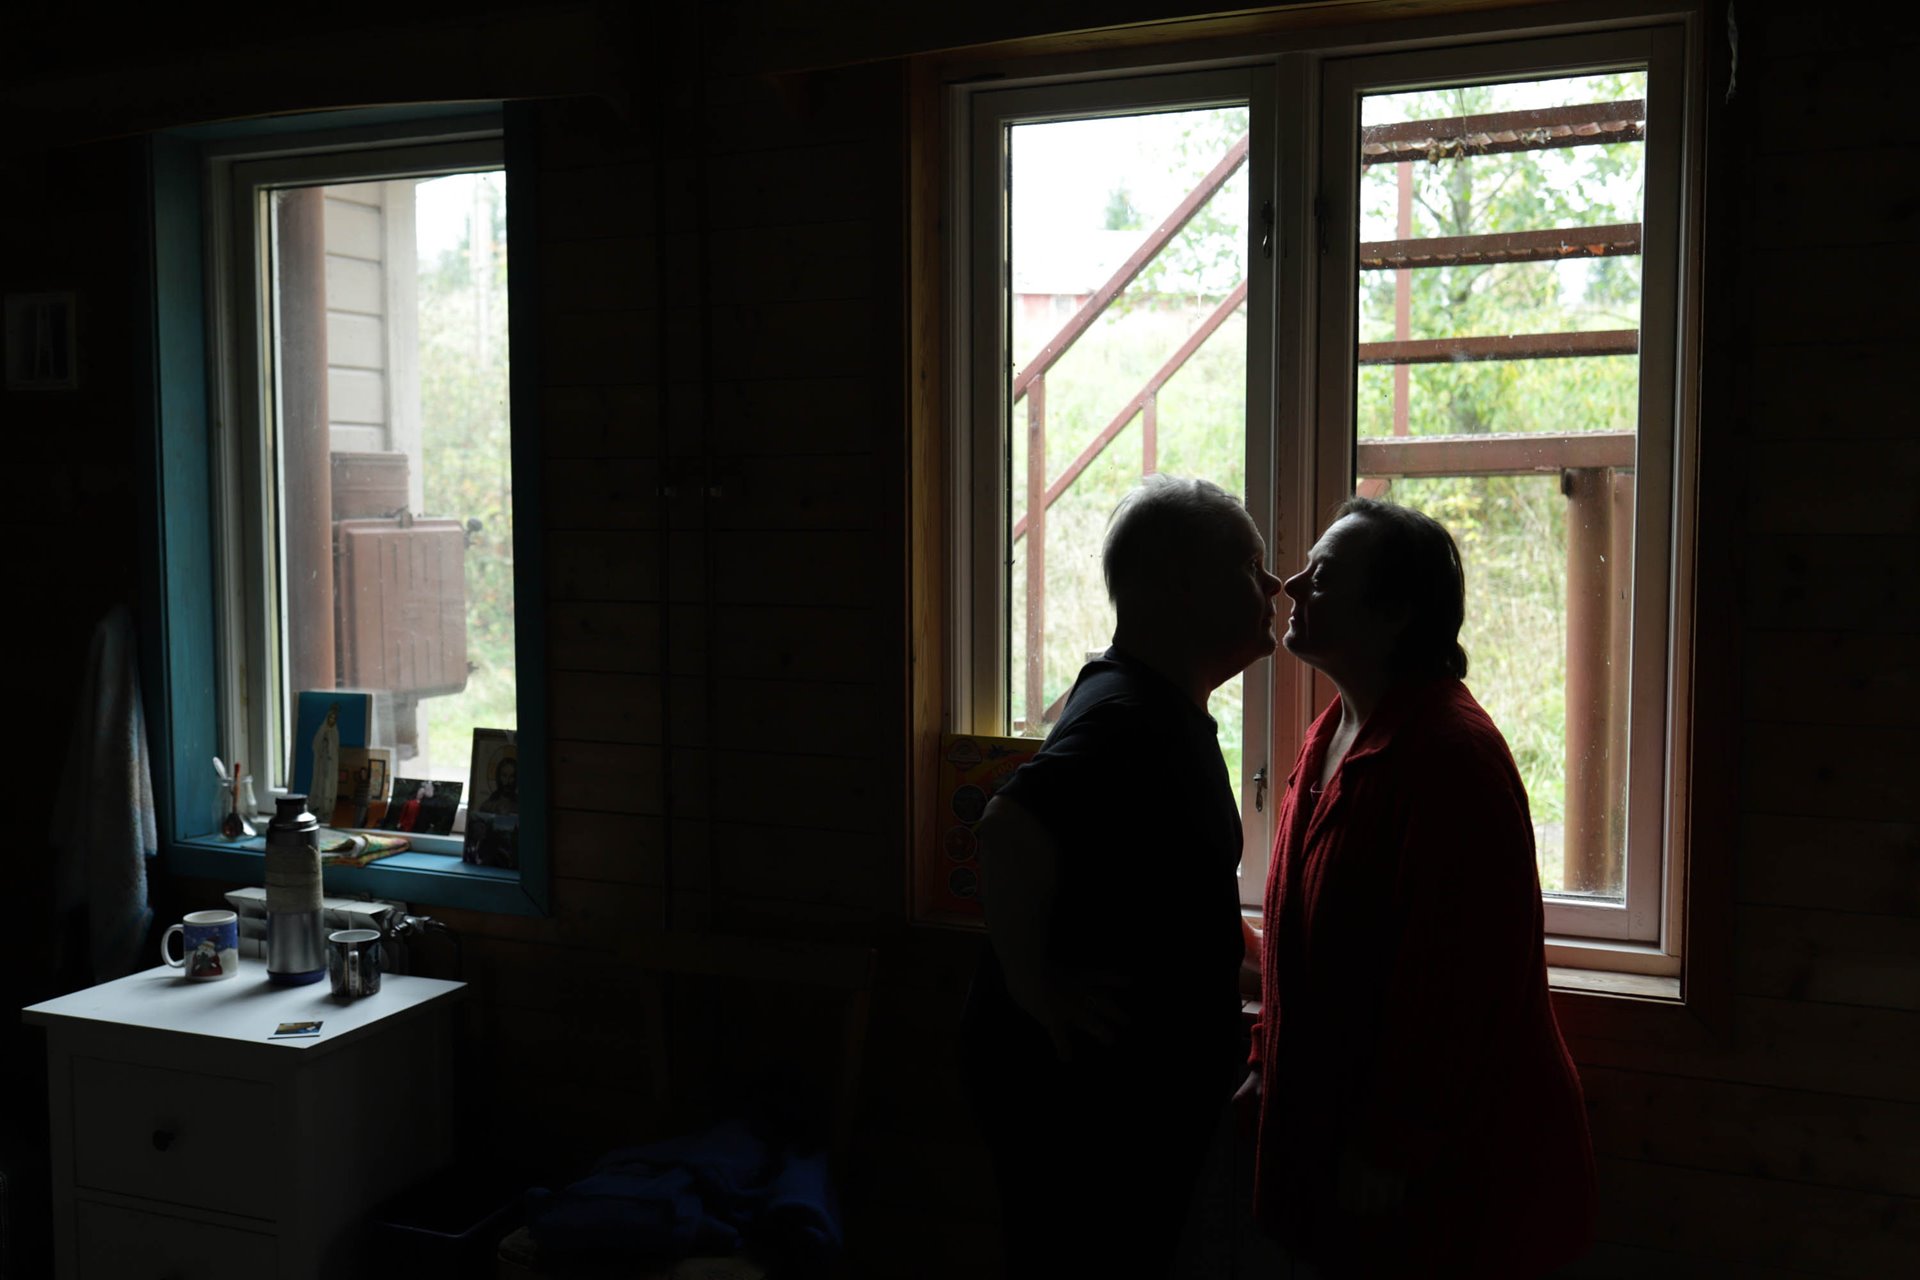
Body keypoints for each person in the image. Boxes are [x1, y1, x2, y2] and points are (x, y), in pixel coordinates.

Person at [1238, 497, 1595, 1277]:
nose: (1292, 585)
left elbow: (1458, 979)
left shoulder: (1448, 760)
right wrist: (1269, 1057)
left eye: (1323, 578)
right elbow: (1305, 936)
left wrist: (1393, 1140)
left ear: (1394, 613)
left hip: (1445, 1175)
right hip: (1360, 1158)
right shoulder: (1333, 732)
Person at [957, 474, 1283, 1278]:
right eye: (1249, 565)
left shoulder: (1150, 703)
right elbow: (1005, 829)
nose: (1273, 586)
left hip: (1115, 1105)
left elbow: (1166, 902)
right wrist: (1037, 988)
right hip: (1082, 1111)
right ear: (1180, 583)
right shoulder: (1128, 718)